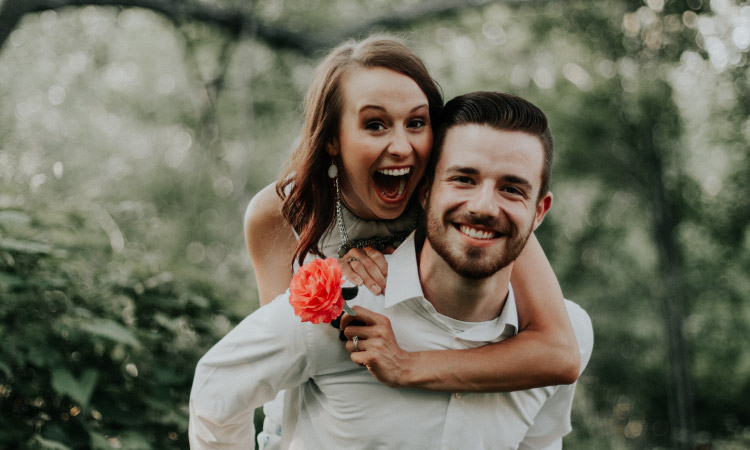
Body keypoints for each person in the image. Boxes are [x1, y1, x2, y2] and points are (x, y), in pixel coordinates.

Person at [190, 91, 594, 449]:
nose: (485, 206)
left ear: (539, 211)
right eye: (463, 179)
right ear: (425, 190)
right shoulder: (337, 309)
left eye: (512, 188)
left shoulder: (568, 333)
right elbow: (216, 392)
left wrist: (408, 366)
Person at [244, 36, 579, 391]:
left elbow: (558, 352)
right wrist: (333, 283)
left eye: (417, 123)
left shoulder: (466, 206)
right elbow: (280, 363)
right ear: (332, 138)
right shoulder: (278, 214)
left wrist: (408, 365)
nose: (402, 147)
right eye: (375, 125)